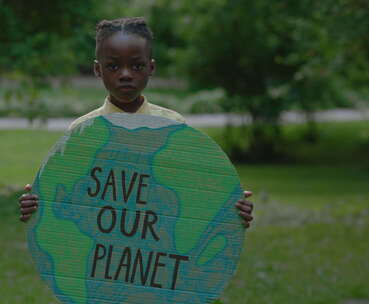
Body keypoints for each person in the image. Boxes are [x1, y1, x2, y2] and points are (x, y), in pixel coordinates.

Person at [18, 17, 254, 228]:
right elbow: (68, 197)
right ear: (97, 70)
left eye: (136, 66)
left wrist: (229, 209)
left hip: (155, 260)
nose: (125, 74)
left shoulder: (174, 127)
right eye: (113, 66)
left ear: (151, 68)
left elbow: (191, 192)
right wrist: (38, 206)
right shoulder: (82, 131)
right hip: (99, 260)